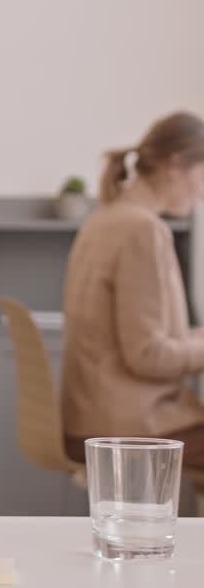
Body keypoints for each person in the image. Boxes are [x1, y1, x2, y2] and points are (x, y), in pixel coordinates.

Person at [62, 111, 204, 495]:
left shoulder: (105, 219)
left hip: (90, 416)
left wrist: (192, 340)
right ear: (176, 164)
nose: (203, 192)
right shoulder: (142, 230)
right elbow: (147, 356)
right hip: (127, 425)